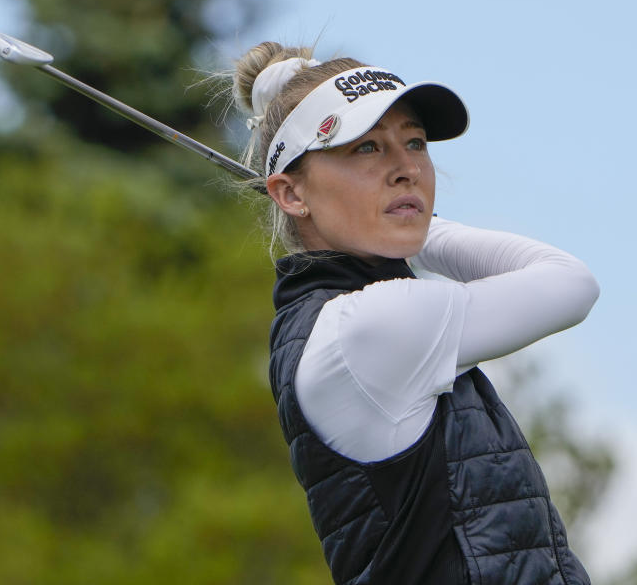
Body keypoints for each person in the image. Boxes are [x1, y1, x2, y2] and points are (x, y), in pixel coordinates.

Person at [229, 42, 600, 584]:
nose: (407, 169)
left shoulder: (342, 319)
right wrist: (421, 234)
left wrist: (405, 226)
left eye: (415, 142)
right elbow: (571, 283)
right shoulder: (371, 326)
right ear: (289, 193)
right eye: (366, 149)